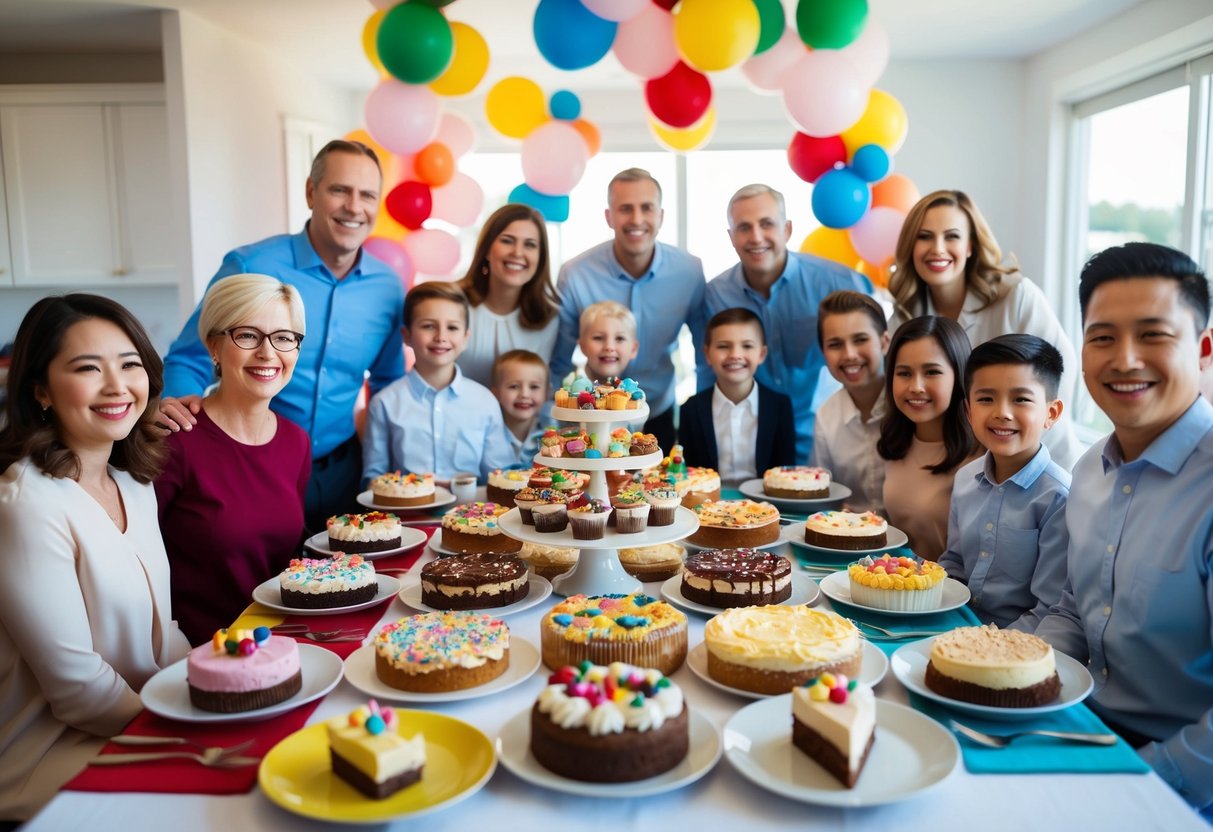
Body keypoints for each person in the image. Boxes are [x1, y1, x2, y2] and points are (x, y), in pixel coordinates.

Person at [1035, 243, 1213, 814]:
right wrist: (1001, 665)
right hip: (1078, 730)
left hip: (1176, 781)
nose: (1125, 359)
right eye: (1103, 337)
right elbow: (1072, 608)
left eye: (1154, 335)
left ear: (1203, 349)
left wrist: (1135, 781)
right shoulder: (1088, 471)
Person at [0, 295, 191, 821]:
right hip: (53, 754)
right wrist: (185, 729)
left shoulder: (131, 481)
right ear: (40, 389)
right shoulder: (26, 505)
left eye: (130, 365)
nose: (117, 386)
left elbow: (164, 633)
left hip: (143, 720)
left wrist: (211, 689)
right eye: (88, 368)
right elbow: (78, 690)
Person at [159, 139, 404, 532]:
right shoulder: (250, 265)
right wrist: (177, 409)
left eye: (367, 195)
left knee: (345, 582)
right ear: (311, 192)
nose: (354, 207)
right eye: (339, 190)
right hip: (253, 464)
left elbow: (389, 382)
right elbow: (191, 355)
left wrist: (389, 462)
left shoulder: (388, 287)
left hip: (344, 468)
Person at [155, 274, 312, 645]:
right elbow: (135, 564)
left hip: (285, 641)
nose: (268, 353)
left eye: (284, 338)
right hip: (201, 651)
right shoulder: (175, 440)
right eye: (248, 335)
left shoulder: (296, 442)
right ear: (213, 346)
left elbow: (285, 556)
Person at [888, 189, 1081, 470]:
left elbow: (1061, 374)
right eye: (924, 236)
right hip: (961, 465)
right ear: (910, 246)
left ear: (970, 246)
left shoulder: (1018, 297)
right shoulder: (905, 313)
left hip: (1041, 460)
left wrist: (1016, 445)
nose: (938, 248)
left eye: (951, 236)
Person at [703, 184, 872, 462]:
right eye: (744, 227)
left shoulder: (839, 283)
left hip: (834, 437)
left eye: (767, 224)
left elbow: (876, 359)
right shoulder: (716, 295)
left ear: (787, 229)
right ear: (731, 237)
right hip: (753, 446)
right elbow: (709, 373)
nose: (756, 237)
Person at [550, 168, 707, 452]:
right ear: (609, 216)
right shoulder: (575, 274)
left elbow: (704, 357)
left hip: (657, 410)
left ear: (661, 215)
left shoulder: (690, 271)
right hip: (590, 414)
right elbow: (559, 362)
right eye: (625, 209)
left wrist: (704, 419)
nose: (636, 219)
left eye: (646, 208)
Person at [939, 334, 1070, 631]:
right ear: (969, 411)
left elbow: (1050, 609)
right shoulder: (964, 480)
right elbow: (955, 563)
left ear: (1051, 413)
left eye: (1021, 399)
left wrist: (985, 644)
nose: (1002, 413)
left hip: (1018, 644)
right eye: (986, 399)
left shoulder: (1058, 498)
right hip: (954, 625)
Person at [362, 281, 515, 484]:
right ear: (406, 335)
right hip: (407, 514)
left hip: (473, 513)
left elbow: (500, 477)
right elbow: (373, 479)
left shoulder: (484, 401)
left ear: (466, 337)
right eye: (428, 326)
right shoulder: (384, 403)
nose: (441, 337)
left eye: (452, 327)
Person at [877, 315, 978, 560]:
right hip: (896, 587)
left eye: (932, 372)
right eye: (904, 373)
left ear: (959, 376)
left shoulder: (982, 456)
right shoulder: (896, 443)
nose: (916, 387)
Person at [679, 307, 796, 481]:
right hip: (709, 503)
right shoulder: (692, 408)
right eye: (723, 346)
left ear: (762, 354)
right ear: (707, 354)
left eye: (747, 346)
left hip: (767, 503)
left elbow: (785, 472)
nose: (735, 355)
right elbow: (690, 473)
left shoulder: (779, 406)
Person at [455, 203, 561, 388]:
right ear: (487, 249)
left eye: (530, 245)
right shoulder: (454, 303)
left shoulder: (547, 316)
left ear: (540, 257)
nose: (518, 252)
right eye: (507, 240)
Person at [812, 290, 891, 514]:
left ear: (884, 342)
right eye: (835, 344)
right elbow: (823, 495)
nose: (849, 354)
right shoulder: (826, 416)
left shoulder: (910, 406)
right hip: (850, 538)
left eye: (860, 340)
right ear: (824, 353)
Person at [491, 349, 549, 467]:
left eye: (534, 387)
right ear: (495, 393)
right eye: (514, 386)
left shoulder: (552, 434)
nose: (525, 394)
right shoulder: (489, 434)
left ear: (546, 393)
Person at [578, 300, 639, 382]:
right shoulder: (567, 390)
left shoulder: (633, 391)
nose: (609, 347)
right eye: (598, 338)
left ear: (633, 349)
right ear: (582, 346)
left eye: (619, 338)